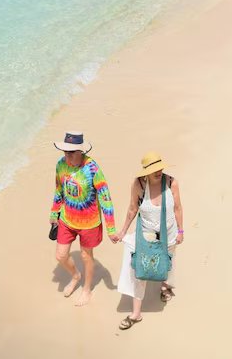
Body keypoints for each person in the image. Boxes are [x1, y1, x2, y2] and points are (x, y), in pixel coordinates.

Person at [111, 152, 184, 330]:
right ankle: (136, 313)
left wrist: (181, 230)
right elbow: (132, 209)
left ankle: (165, 286)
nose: (158, 172)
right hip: (146, 233)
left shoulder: (171, 182)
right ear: (146, 172)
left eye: (159, 168)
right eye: (153, 170)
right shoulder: (139, 184)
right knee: (140, 268)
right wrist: (122, 231)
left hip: (169, 232)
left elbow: (177, 208)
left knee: (168, 260)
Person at [50, 132, 116, 307]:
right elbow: (58, 190)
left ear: (81, 151)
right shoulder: (61, 165)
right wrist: (54, 212)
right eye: (65, 152)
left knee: (87, 257)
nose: (67, 156)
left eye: (71, 152)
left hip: (89, 223)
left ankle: (86, 289)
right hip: (66, 218)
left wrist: (111, 228)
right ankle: (75, 276)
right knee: (60, 255)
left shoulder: (92, 168)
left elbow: (105, 197)